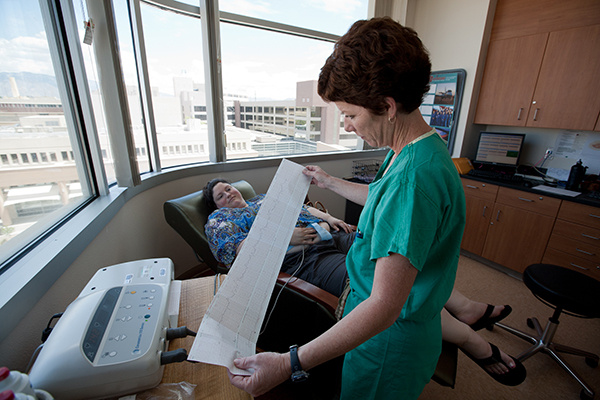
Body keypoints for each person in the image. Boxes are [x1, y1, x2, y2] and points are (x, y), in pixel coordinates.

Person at [225, 17, 521, 399]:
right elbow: (385, 202)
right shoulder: (414, 151)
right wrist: (329, 183)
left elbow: (382, 307)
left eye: (350, 114)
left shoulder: (413, 181)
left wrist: (288, 363)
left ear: (387, 105)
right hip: (397, 326)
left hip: (387, 344)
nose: (347, 125)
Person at [203, 178, 525, 386]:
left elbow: (304, 209)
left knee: (396, 259)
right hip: (302, 257)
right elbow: (238, 252)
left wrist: (329, 218)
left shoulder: (262, 198)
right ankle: (469, 337)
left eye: (229, 188)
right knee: (381, 283)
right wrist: (287, 235)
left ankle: (465, 306)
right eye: (221, 195)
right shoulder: (220, 222)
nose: (229, 193)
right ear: (215, 206)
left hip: (331, 235)